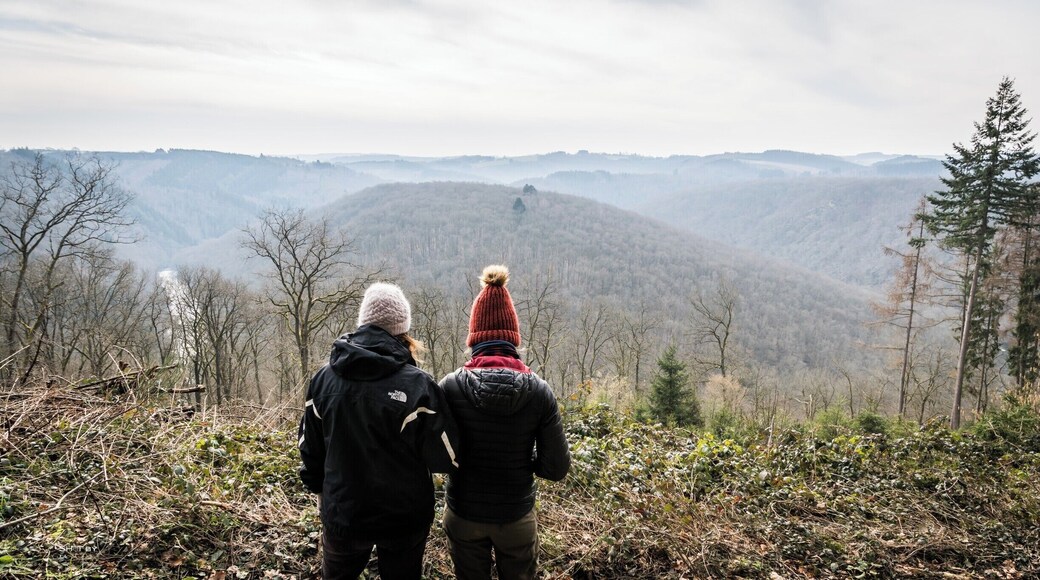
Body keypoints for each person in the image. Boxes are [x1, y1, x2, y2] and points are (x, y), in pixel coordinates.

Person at [298, 282, 459, 580]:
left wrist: (321, 493)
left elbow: (310, 447)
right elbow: (445, 457)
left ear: (362, 324)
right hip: (403, 518)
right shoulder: (418, 385)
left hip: (343, 513)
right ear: (403, 330)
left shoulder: (323, 380)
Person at [439, 265, 571, 580]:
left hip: (464, 515)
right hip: (515, 517)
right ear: (514, 338)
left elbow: (436, 456)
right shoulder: (539, 391)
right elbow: (557, 468)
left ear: (474, 337)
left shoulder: (449, 387)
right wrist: (525, 464)